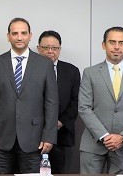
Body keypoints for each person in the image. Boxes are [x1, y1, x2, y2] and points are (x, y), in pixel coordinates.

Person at [0, 17, 58, 174]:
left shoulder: (45, 64)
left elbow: (51, 103)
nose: (19, 37)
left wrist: (49, 136)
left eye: (23, 33)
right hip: (0, 139)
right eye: (15, 33)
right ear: (8, 36)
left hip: (35, 139)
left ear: (30, 35)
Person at [78, 26, 123, 174]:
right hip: (93, 145)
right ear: (103, 45)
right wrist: (104, 136)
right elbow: (84, 108)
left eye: (121, 43)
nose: (117, 47)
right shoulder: (90, 73)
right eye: (112, 42)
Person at [36, 30, 80, 174]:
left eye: (54, 48)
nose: (50, 51)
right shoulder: (29, 69)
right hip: (33, 134)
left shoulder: (71, 71)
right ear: (38, 48)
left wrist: (60, 122)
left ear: (59, 49)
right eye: (45, 47)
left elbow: (76, 102)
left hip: (61, 134)